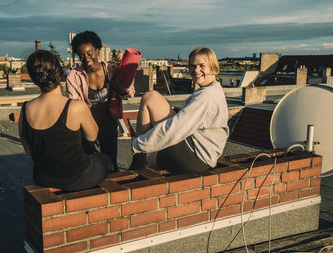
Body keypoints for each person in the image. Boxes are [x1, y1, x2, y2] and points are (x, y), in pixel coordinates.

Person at [18, 50, 113, 191]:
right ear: (60, 72)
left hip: (43, 178)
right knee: (106, 160)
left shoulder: (25, 109)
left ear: (34, 79)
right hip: (78, 177)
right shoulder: (75, 106)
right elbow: (92, 136)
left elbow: (28, 151)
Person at [131, 47, 229, 173]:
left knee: (150, 97)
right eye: (193, 66)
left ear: (213, 67)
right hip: (202, 158)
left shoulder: (207, 96)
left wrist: (138, 144)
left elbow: (177, 127)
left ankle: (138, 155)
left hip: (196, 156)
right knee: (148, 160)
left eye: (201, 66)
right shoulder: (214, 90)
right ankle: (138, 161)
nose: (196, 70)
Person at [66, 31, 135, 171]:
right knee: (89, 155)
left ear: (98, 51)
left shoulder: (113, 70)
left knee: (110, 157)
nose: (86, 58)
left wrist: (121, 89)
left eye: (90, 53)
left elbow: (130, 93)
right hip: (86, 118)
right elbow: (74, 103)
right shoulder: (74, 76)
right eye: (81, 56)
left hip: (108, 116)